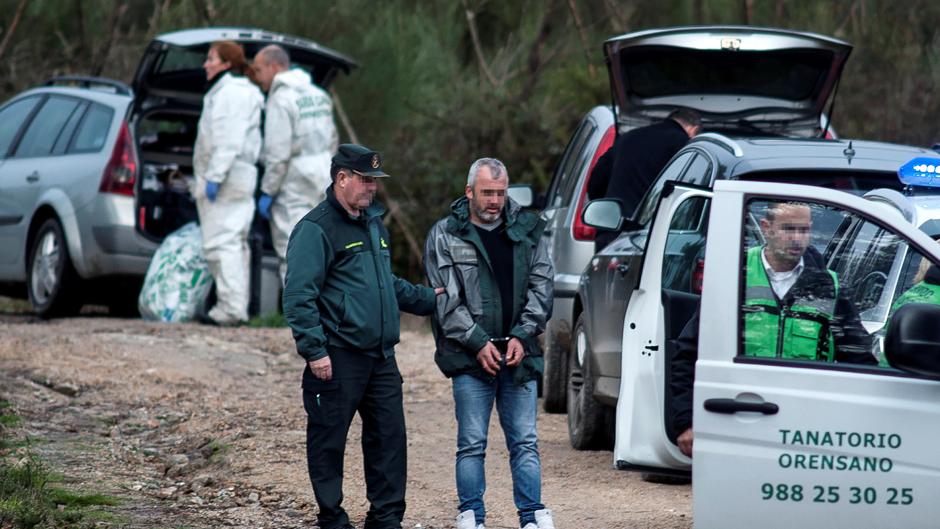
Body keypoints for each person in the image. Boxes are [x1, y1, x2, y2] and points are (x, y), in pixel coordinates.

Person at [283, 144, 441, 529]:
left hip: (381, 357)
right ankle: (332, 519)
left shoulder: (373, 223)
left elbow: (385, 283)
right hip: (338, 355)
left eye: (375, 181)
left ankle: (385, 519)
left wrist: (428, 299)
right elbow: (299, 295)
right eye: (366, 180)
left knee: (389, 441)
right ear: (342, 178)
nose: (373, 189)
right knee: (329, 440)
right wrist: (314, 350)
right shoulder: (315, 229)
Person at [669, 201, 876, 457]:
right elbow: (690, 352)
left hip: (805, 424)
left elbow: (858, 358)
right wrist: (686, 421)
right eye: (789, 228)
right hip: (740, 414)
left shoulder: (828, 285)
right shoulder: (735, 274)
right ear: (766, 228)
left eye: (804, 230)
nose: (798, 238)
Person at [424, 158, 556, 529]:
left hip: (520, 354)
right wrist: (479, 342)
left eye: (501, 192)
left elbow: (542, 287)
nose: (495, 200)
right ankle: (471, 516)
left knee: (525, 442)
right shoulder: (445, 234)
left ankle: (531, 516)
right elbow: (444, 300)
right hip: (469, 357)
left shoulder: (529, 229)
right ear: (469, 192)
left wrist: (522, 335)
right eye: (487, 193)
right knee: (471, 442)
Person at [252, 44, 339, 283]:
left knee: (293, 249)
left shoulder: (280, 100)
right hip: (323, 177)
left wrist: (268, 191)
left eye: (259, 70)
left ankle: (301, 314)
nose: (257, 77)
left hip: (294, 184)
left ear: (274, 67)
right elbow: (332, 140)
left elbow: (278, 154)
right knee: (322, 247)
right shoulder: (319, 95)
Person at [193, 40, 264, 325]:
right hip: (237, 175)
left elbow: (227, 140)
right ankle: (234, 306)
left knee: (222, 243)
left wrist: (214, 177)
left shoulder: (230, 93)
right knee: (234, 242)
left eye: (211, 59)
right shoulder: (238, 92)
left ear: (225, 64)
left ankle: (231, 310)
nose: (205, 64)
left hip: (228, 176)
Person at [588, 109, 702, 249]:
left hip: (611, 235)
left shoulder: (629, 137)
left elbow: (596, 181)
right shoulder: (684, 145)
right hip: (652, 239)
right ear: (694, 130)